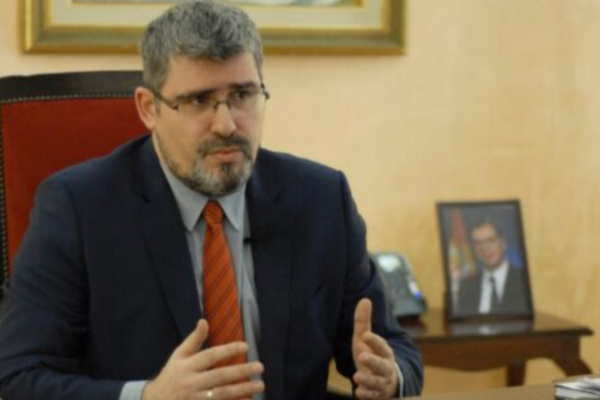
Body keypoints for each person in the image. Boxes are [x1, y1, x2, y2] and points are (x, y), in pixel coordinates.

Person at [0, 1, 423, 400]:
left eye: (242, 96)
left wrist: (390, 375)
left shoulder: (320, 200)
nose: (226, 124)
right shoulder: (79, 208)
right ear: (149, 108)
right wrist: (148, 396)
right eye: (199, 100)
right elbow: (16, 377)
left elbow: (395, 351)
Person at [457, 219, 530, 316]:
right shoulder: (466, 286)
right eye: (478, 243)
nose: (485, 248)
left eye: (491, 240)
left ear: (503, 243)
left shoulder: (525, 280)